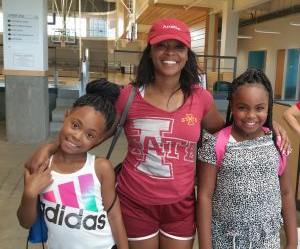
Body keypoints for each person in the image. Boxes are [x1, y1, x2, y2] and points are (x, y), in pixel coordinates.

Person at [25, 19, 290, 249]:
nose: (170, 52)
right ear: (150, 51)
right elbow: (93, 136)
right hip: (135, 202)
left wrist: (267, 127)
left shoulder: (200, 98)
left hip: (181, 205)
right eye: (162, 45)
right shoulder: (128, 96)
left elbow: (228, 131)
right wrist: (49, 148)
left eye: (178, 46)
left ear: (187, 54)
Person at [17, 79, 129, 249]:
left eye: (89, 135)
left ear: (99, 139)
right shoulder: (42, 166)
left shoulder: (100, 168)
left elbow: (114, 216)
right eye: (75, 125)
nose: (77, 136)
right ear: (66, 115)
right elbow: (25, 222)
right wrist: (30, 193)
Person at [197, 68, 297, 249]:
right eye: (242, 107)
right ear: (232, 106)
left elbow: (286, 192)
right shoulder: (216, 144)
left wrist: (292, 241)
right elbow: (205, 196)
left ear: (269, 108)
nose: (251, 115)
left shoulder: (276, 142)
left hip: (267, 241)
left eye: (259, 108)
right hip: (227, 241)